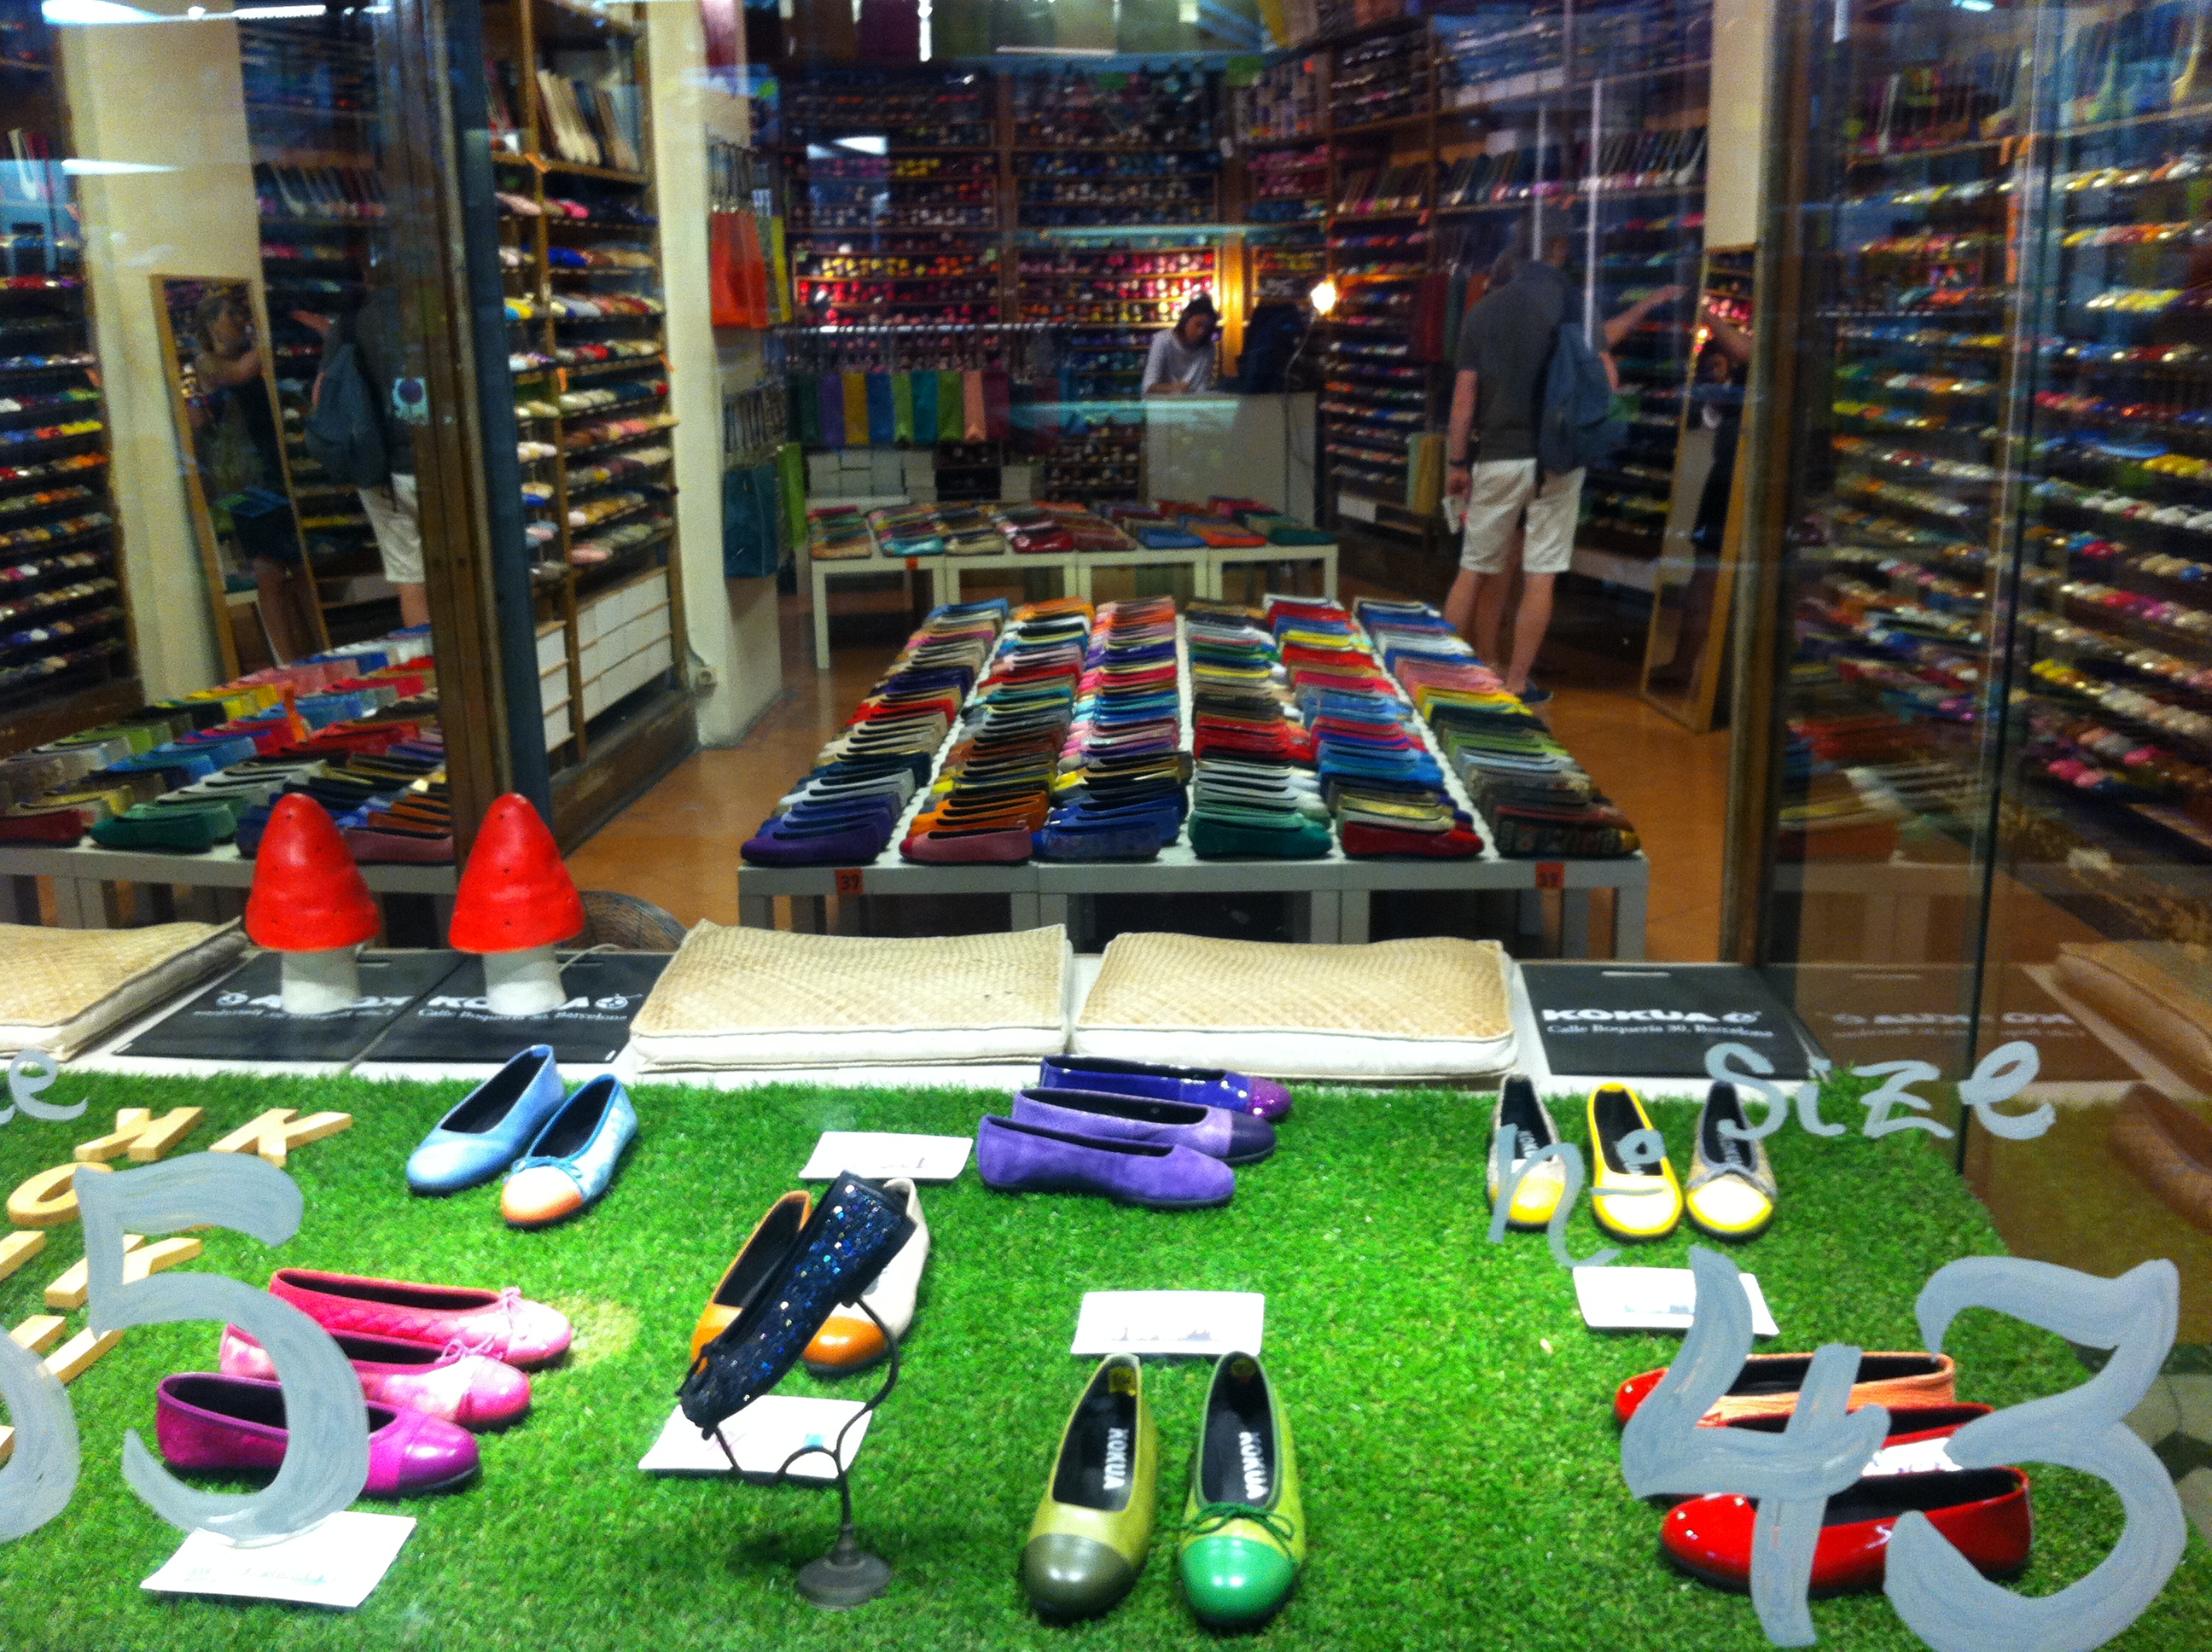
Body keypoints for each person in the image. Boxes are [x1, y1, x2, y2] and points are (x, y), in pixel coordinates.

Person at [1444, 230, 1685, 701]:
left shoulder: (1483, 313)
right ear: (1559, 253)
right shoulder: (1574, 306)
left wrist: (1457, 461)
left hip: (1500, 453)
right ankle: (1517, 682)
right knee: (1541, 575)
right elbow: (1607, 380)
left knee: (1474, 568)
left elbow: (1464, 400)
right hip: (1558, 457)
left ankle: (1446, 676)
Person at [188, 288, 323, 662]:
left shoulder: (252, 357)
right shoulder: (206, 362)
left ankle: (319, 649)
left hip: (271, 468)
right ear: (211, 324)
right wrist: (268, 334)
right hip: (243, 479)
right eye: (232, 316)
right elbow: (239, 373)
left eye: (242, 315)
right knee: (270, 572)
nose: (241, 323)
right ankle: (289, 661)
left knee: (299, 565)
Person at [317, 257, 431, 630]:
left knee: (410, 580)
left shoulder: (349, 325)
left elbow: (323, 397)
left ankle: (426, 658)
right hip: (435, 460)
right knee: (462, 568)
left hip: (377, 467)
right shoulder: (426, 314)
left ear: (366, 275)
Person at [1143, 294, 1219, 396]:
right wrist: (1175, 388)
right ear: (1186, 318)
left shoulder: (1208, 348)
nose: (1201, 332)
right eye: (1198, 325)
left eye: (1206, 328)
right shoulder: (1162, 340)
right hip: (1163, 404)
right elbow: (1148, 388)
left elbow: (1203, 387)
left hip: (1194, 404)